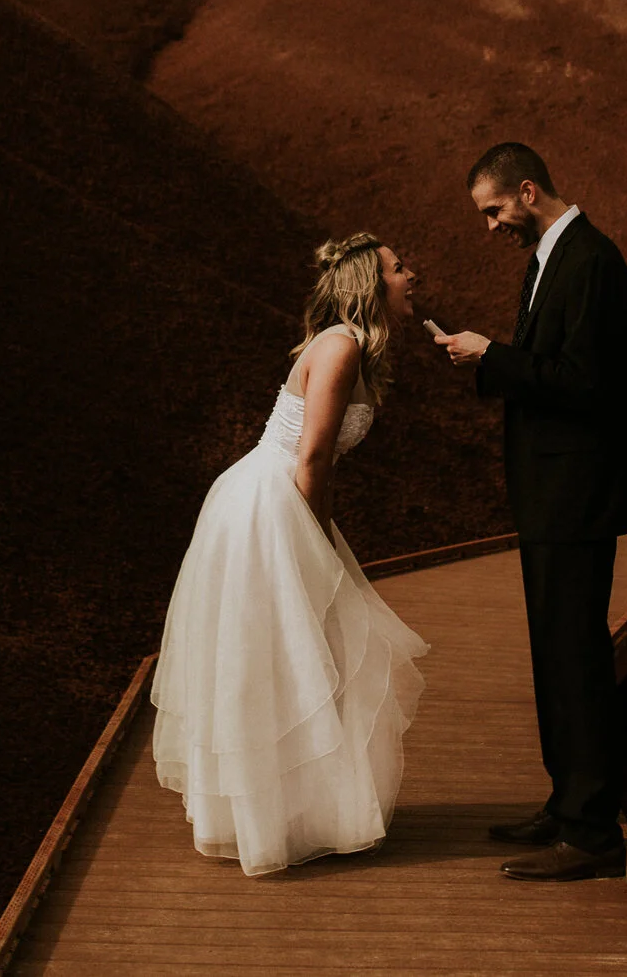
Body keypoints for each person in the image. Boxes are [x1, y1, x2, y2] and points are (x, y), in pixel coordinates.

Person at [150, 234, 432, 875]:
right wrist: (315, 548)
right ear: (369, 282)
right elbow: (311, 459)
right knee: (291, 651)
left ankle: (291, 814)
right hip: (270, 507)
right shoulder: (340, 347)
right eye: (398, 268)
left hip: (274, 501)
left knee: (293, 656)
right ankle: (274, 820)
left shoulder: (347, 346)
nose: (410, 276)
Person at [430, 143, 627, 882]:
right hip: (552, 495)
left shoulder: (592, 260)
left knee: (578, 657)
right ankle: (567, 803)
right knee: (555, 654)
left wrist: (490, 354)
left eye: (494, 210)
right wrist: (490, 356)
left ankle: (591, 830)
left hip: (577, 496)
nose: (492, 226)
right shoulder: (548, 260)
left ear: (528, 191)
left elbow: (583, 383)